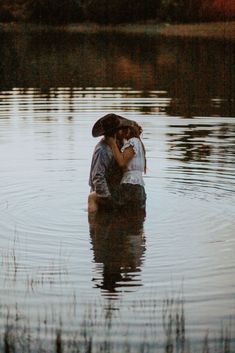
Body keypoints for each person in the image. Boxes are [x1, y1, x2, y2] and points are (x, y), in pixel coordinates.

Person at [88, 113, 134, 213]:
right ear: (116, 132)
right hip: (104, 194)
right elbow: (97, 176)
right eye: (121, 129)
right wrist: (107, 198)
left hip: (114, 191)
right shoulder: (102, 150)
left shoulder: (119, 144)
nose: (123, 131)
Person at [106, 122, 147, 211]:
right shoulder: (139, 144)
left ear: (128, 131)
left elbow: (122, 162)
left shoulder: (132, 142)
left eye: (122, 129)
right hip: (139, 188)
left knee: (94, 197)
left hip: (130, 186)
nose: (120, 131)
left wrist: (112, 143)